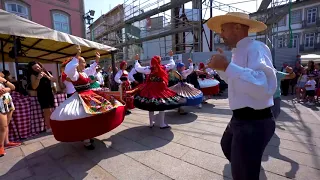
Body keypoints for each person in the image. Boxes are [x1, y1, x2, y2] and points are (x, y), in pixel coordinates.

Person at [206, 12, 277, 180]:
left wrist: (227, 66)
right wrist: (223, 67)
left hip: (254, 121)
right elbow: (237, 81)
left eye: (223, 29)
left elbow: (263, 86)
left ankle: (247, 166)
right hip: (242, 119)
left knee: (242, 174)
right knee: (228, 146)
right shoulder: (239, 51)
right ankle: (248, 164)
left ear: (237, 27)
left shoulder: (256, 48)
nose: (220, 34)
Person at [50, 46, 126, 150]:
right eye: (83, 62)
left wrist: (97, 60)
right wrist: (76, 56)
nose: (85, 63)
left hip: (90, 95)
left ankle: (90, 135)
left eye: (84, 62)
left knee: (105, 109)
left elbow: (91, 70)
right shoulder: (75, 75)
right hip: (81, 97)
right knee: (85, 117)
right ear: (78, 63)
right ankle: (86, 141)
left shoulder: (84, 72)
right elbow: (69, 69)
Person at [129, 51, 186, 129]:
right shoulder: (163, 68)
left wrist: (136, 60)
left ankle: (151, 123)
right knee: (162, 105)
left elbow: (138, 68)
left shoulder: (149, 69)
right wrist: (171, 57)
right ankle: (162, 124)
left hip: (150, 90)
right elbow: (172, 65)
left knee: (150, 106)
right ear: (159, 61)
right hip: (160, 90)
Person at [27, 61, 56, 132]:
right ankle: (48, 128)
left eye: (37, 66)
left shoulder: (47, 71)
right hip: (42, 94)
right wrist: (38, 78)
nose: (37, 68)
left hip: (49, 93)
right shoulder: (33, 75)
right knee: (47, 111)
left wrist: (47, 76)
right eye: (34, 68)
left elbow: (54, 80)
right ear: (32, 69)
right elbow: (34, 87)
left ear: (40, 65)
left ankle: (52, 126)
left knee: (51, 111)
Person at [0, 75, 20, 156]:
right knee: (3, 126)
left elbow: (13, 87)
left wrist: (4, 82)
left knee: (6, 124)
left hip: (7, 101)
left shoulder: (1, 78)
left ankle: (6, 142)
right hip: (0, 103)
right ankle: (0, 146)